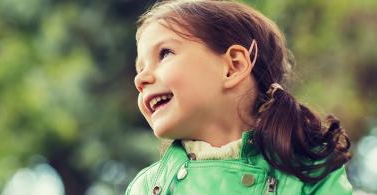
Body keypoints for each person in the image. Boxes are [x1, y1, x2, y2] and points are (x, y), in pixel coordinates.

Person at [127, 0, 353, 194]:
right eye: (140, 69)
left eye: (165, 53)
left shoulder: (310, 172)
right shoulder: (145, 187)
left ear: (233, 66)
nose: (140, 79)